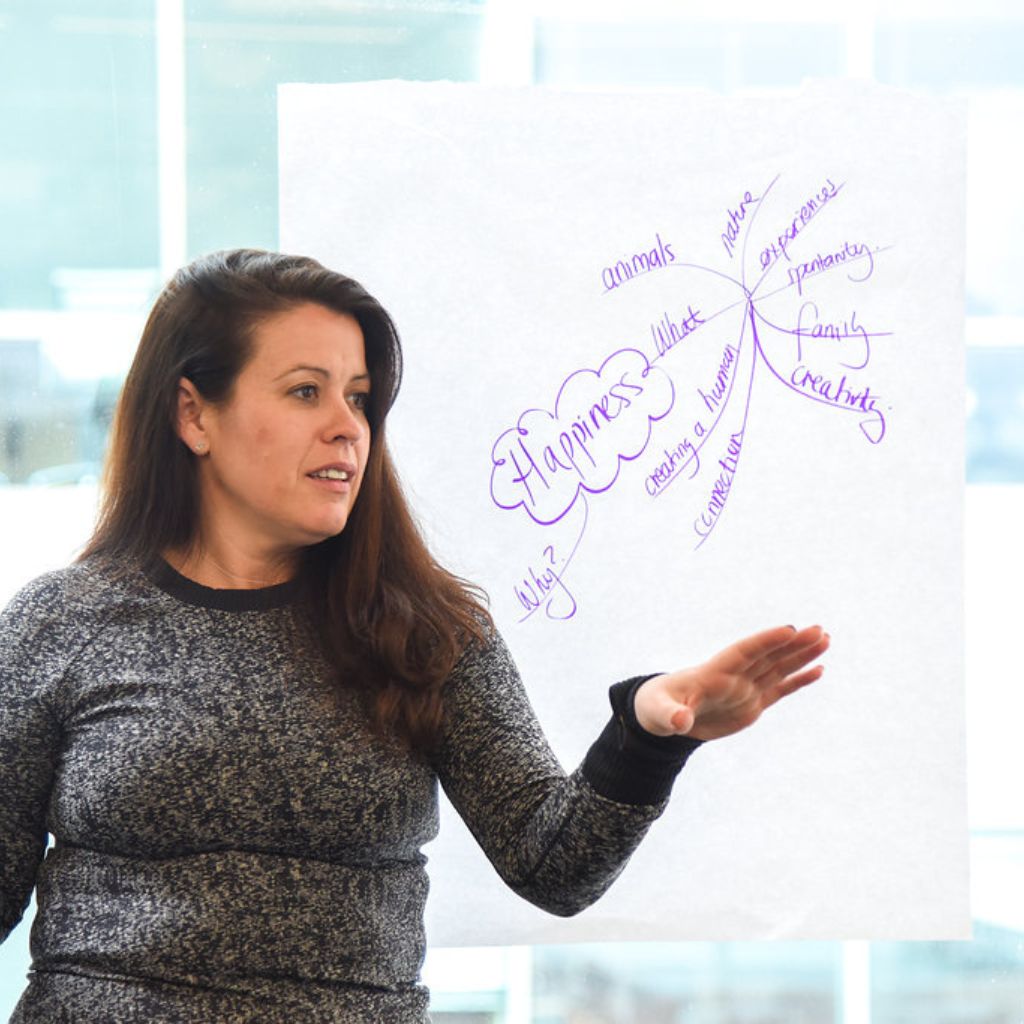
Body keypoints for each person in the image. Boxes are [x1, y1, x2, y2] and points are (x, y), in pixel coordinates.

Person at [0, 249, 829, 1023]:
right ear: (193, 414)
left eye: (359, 398)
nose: (348, 427)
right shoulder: (60, 624)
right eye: (304, 392)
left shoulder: (426, 627)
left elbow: (553, 866)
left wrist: (648, 732)